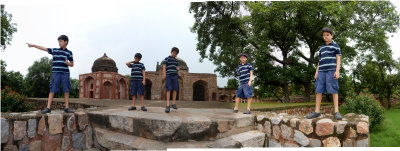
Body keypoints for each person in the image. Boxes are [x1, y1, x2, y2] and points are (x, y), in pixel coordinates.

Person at [26, 35, 74, 114]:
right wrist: (33, 45)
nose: (59, 43)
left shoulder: (69, 53)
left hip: (65, 73)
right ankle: (48, 108)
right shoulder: (54, 50)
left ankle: (67, 108)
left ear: (66, 42)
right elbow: (43, 48)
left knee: (66, 89)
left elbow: (72, 64)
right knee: (52, 89)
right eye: (58, 41)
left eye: (61, 41)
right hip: (55, 73)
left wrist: (67, 63)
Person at [306, 27, 342, 120]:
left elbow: (338, 59)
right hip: (321, 71)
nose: (325, 36)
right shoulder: (321, 48)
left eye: (327, 35)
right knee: (318, 90)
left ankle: (336, 112)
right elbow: (320, 61)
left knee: (334, 90)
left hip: (331, 71)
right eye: (324, 35)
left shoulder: (336, 46)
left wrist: (337, 71)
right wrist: (316, 71)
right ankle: (317, 112)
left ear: (332, 36)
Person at [163, 47, 180, 113]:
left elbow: (177, 67)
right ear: (171, 52)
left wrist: (178, 69)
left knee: (175, 89)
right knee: (168, 89)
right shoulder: (167, 58)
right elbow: (164, 66)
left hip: (175, 75)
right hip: (169, 75)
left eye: (176, 53)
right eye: (173, 53)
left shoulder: (176, 60)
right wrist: (164, 74)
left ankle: (173, 103)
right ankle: (167, 105)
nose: (174, 54)